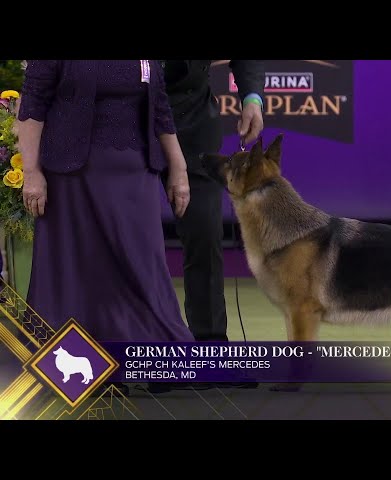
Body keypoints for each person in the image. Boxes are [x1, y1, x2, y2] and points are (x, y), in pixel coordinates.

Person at [18, 61, 196, 394]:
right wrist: (31, 172)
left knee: (143, 265)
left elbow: (160, 108)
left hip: (135, 171)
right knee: (86, 271)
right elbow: (32, 104)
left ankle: (156, 360)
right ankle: (93, 369)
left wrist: (179, 169)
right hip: (72, 176)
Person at [153, 60, 264, 392]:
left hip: (194, 128)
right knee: (137, 246)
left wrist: (252, 98)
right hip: (131, 127)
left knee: (205, 238)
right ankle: (152, 354)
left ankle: (211, 352)